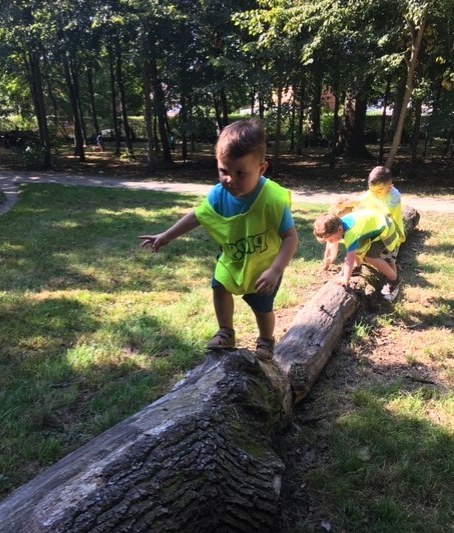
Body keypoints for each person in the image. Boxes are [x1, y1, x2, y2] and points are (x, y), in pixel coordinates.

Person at [139, 118, 298, 361]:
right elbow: (198, 216)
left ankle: (266, 340)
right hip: (232, 258)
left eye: (240, 173)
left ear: (262, 168)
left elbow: (290, 237)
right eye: (223, 171)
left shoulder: (273, 199)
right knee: (219, 288)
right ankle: (226, 332)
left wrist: (276, 269)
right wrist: (166, 236)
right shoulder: (219, 194)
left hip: (264, 266)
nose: (229, 179)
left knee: (262, 306)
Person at [313, 209, 402, 301]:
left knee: (371, 257)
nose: (330, 242)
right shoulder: (338, 226)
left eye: (330, 239)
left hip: (385, 230)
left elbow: (349, 259)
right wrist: (330, 259)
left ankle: (394, 280)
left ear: (339, 230)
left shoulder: (351, 233)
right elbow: (331, 244)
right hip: (374, 224)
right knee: (357, 248)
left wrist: (345, 279)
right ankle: (358, 266)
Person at [332, 165, 405, 243]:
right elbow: (359, 201)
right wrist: (343, 204)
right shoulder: (373, 192)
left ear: (390, 187)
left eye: (379, 191)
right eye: (372, 190)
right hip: (374, 222)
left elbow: (387, 214)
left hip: (390, 226)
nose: (375, 194)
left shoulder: (394, 195)